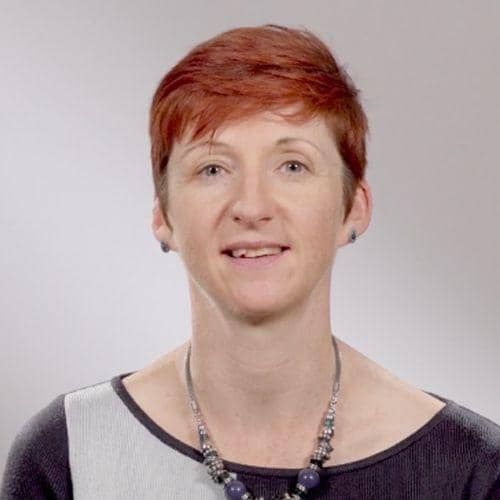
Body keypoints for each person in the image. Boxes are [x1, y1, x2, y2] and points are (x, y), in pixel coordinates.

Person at [1, 24, 499, 500]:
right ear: (163, 215)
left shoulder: (471, 470)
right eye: (213, 168)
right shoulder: (67, 455)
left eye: (292, 166)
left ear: (355, 207)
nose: (252, 206)